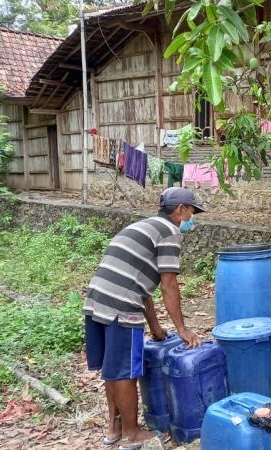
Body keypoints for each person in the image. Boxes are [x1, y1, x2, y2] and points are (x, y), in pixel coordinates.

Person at [83, 187, 204, 450]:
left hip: (96, 299)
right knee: (126, 371)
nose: (192, 218)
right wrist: (182, 329)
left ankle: (113, 429)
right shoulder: (170, 232)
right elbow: (168, 283)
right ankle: (131, 434)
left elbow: (143, 287)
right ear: (181, 209)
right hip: (121, 304)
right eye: (192, 212)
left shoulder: (144, 226)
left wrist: (156, 328)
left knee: (112, 369)